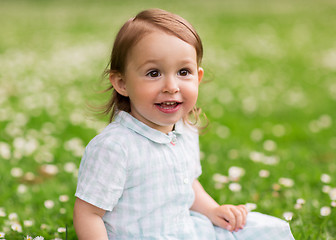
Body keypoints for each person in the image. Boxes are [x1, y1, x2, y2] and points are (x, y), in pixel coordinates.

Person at [73, 8, 295, 240]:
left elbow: (186, 182)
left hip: (185, 230)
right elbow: (88, 213)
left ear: (197, 78)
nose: (171, 86)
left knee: (264, 230)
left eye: (183, 72)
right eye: (153, 73)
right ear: (122, 83)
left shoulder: (185, 130)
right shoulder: (115, 147)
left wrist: (211, 210)